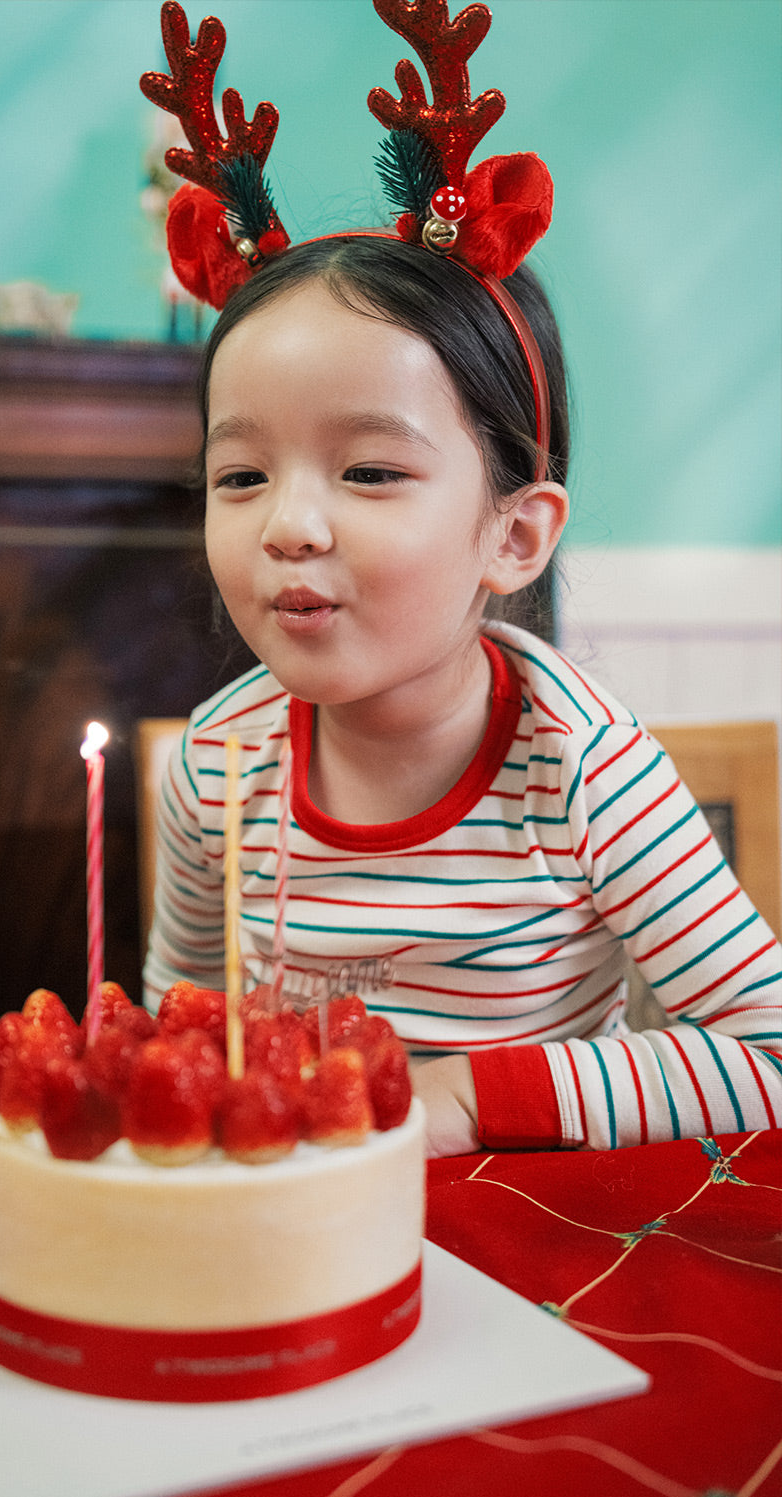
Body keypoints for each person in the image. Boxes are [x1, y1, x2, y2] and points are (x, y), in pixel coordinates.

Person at [140, 2, 781, 1155]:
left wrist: (457, 1098)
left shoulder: (580, 767)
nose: (288, 524)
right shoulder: (214, 768)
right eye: (239, 477)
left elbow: (770, 1052)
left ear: (515, 536)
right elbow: (180, 1030)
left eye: (371, 469)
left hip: (522, 1256)